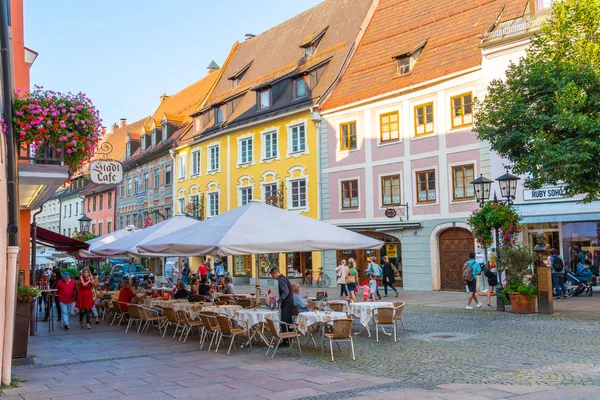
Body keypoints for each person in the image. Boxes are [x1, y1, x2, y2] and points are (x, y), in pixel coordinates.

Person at [270, 267, 293, 340]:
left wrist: (279, 300)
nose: (273, 277)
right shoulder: (284, 278)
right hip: (289, 302)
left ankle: (286, 339)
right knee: (288, 320)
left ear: (276, 273)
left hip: (286, 303)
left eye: (273, 276)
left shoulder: (281, 280)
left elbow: (285, 292)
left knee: (284, 321)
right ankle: (289, 337)